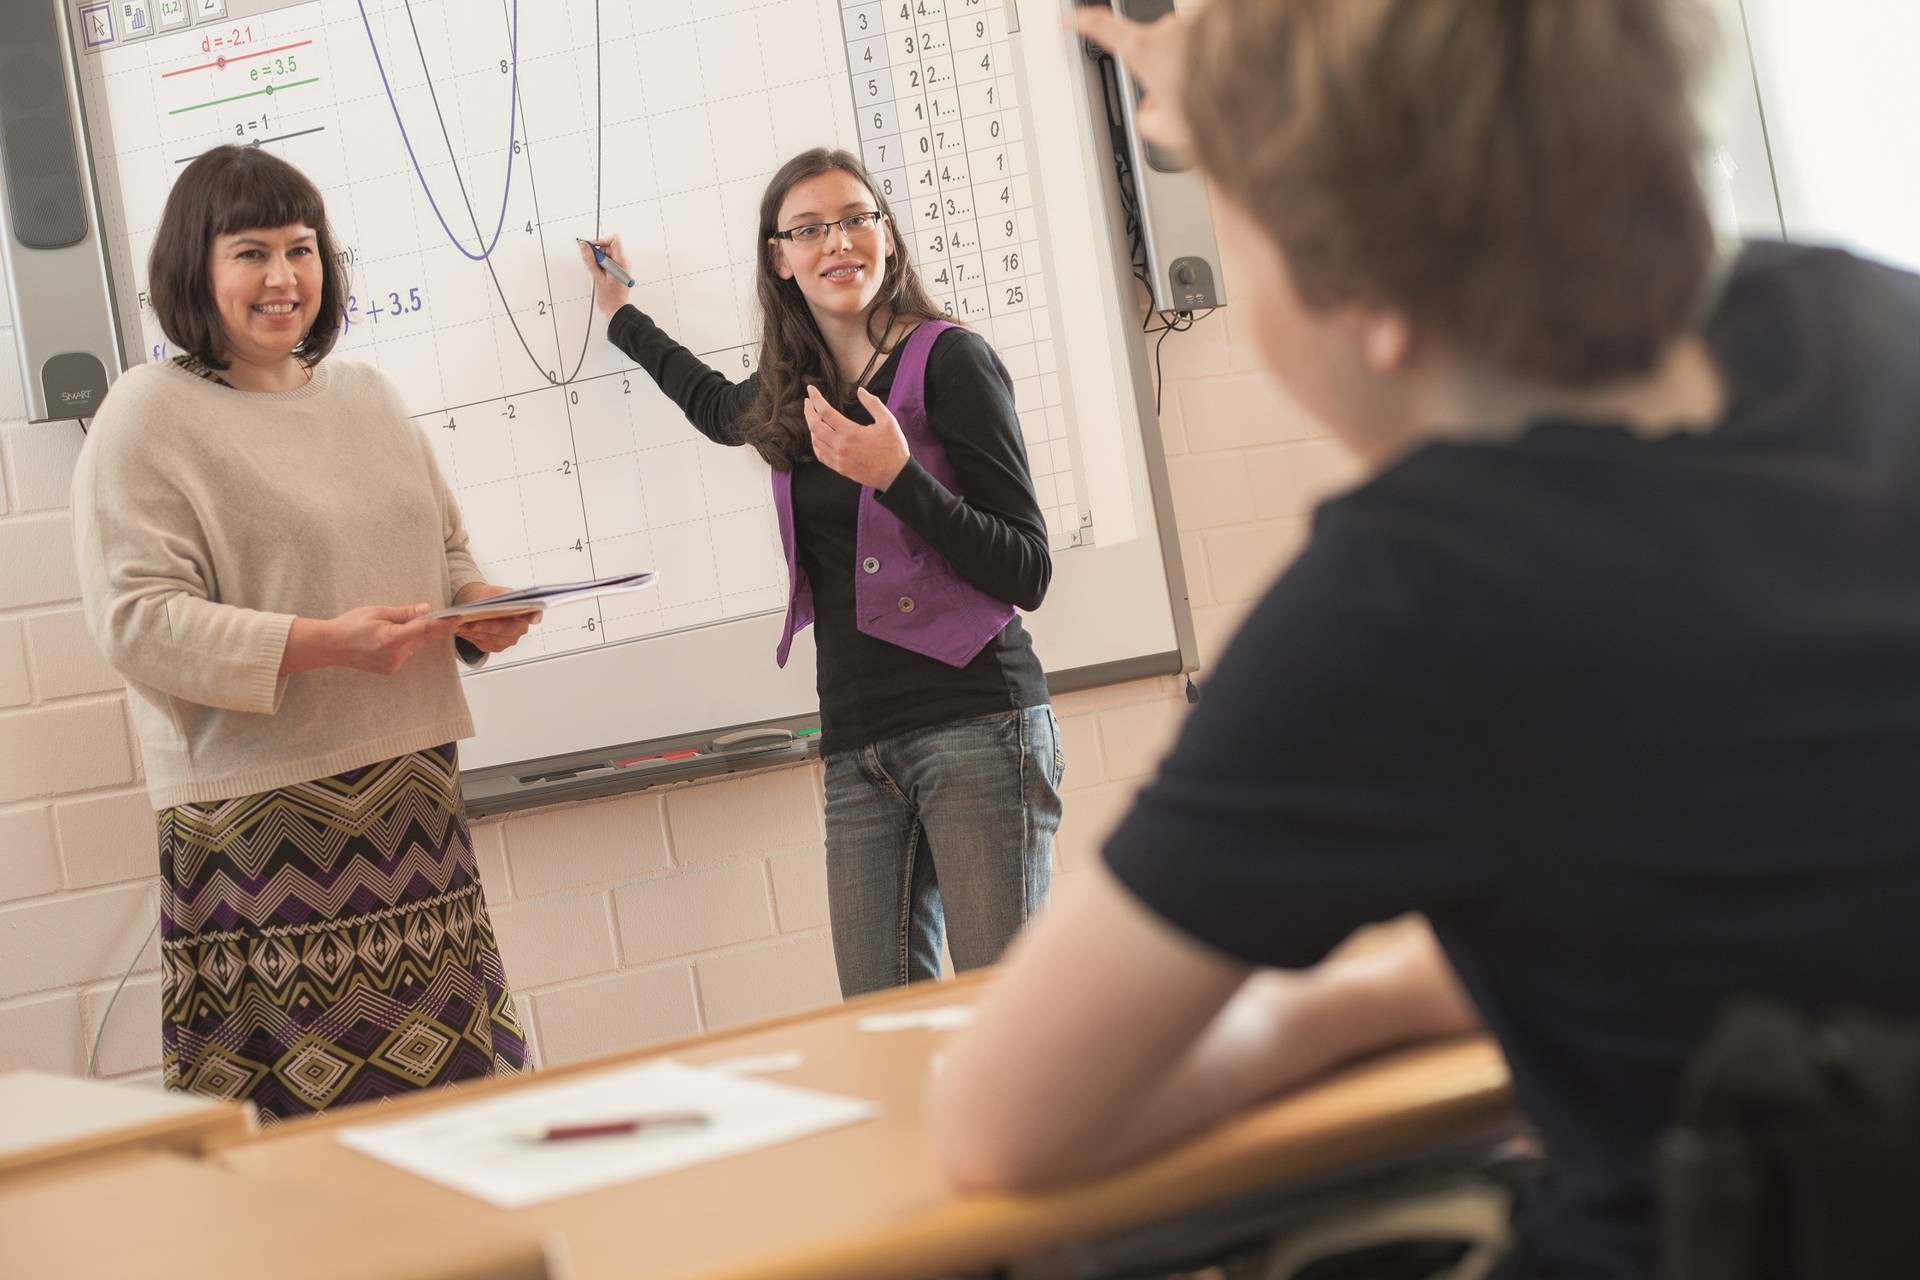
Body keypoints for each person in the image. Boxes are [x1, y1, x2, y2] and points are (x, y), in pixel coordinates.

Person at [931, 3, 1920, 1278]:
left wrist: (1339, 1012)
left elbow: (1001, 1122)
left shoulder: (1412, 594)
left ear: (1367, 296)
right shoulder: (1863, 324)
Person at [73, 146, 535, 1120]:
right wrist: (325, 642)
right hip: (262, 830)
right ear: (194, 268)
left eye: (301, 247)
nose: (284, 277)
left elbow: (444, 554)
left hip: (413, 805)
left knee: (459, 1121)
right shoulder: (147, 411)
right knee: (309, 1154)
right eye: (251, 251)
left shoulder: (367, 396)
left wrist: (479, 606)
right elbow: (136, 620)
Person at [582, 148, 1063, 998]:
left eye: (856, 219)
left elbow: (1026, 566)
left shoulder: (950, 359)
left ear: (886, 234)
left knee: (1006, 1016)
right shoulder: (792, 393)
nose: (838, 243)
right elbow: (710, 405)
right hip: (855, 741)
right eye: (810, 229)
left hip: (977, 724)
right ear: (781, 257)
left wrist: (899, 479)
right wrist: (620, 307)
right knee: (878, 1023)